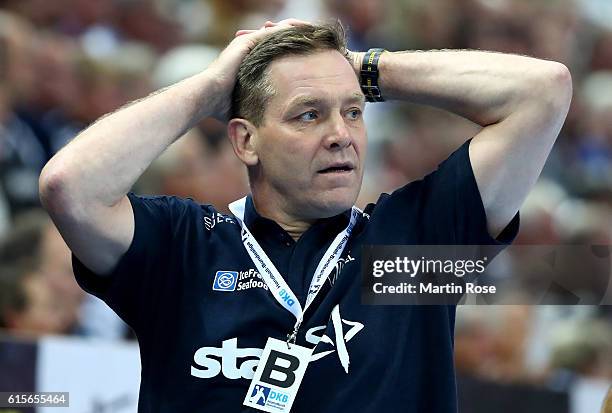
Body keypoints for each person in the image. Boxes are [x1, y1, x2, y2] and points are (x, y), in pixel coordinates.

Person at [39, 18, 572, 413]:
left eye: (354, 112)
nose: (341, 134)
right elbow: (71, 187)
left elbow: (542, 91)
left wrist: (358, 68)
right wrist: (212, 86)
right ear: (246, 141)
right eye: (309, 114)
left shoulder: (407, 251)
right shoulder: (185, 248)